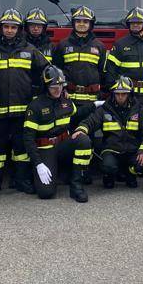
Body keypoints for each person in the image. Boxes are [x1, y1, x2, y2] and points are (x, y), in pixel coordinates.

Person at [0, 9, 48, 196]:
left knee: (21, 149)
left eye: (13, 27)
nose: (10, 30)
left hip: (22, 110)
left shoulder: (30, 50)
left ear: (19, 29)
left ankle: (22, 181)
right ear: (1, 28)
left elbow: (47, 73)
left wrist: (38, 97)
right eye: (6, 27)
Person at [23, 66, 90, 202]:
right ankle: (45, 173)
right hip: (45, 149)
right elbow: (28, 138)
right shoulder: (35, 106)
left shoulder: (66, 100)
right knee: (46, 193)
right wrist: (38, 164)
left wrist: (96, 105)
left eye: (60, 85)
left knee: (83, 140)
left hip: (63, 145)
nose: (58, 89)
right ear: (46, 85)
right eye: (54, 86)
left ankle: (76, 185)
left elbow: (77, 114)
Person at [73, 76, 143, 189]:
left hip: (132, 150)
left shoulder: (139, 110)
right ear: (113, 94)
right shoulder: (105, 109)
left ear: (129, 94)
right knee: (108, 166)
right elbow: (91, 121)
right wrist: (82, 129)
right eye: (117, 93)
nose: (120, 96)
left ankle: (131, 173)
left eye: (124, 93)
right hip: (111, 149)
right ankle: (108, 176)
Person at [106, 6, 143, 116]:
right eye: (132, 22)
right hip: (126, 94)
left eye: (139, 22)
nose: (135, 25)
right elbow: (110, 71)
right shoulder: (120, 45)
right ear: (128, 24)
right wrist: (114, 92)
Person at [52, 5, 107, 120]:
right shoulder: (63, 45)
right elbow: (57, 71)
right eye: (78, 21)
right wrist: (63, 89)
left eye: (85, 21)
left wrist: (101, 94)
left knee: (88, 132)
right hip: (69, 98)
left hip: (91, 100)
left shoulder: (100, 46)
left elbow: (103, 72)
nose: (81, 24)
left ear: (91, 24)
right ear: (73, 23)